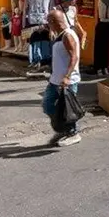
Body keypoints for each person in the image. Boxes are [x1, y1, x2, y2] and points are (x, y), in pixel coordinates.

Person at [43, 10, 82, 147]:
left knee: (67, 109)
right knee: (48, 106)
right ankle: (63, 129)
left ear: (54, 22)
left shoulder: (68, 35)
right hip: (55, 80)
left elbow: (74, 57)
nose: (48, 25)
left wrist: (67, 77)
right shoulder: (60, 35)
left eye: (49, 22)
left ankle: (73, 133)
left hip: (67, 81)